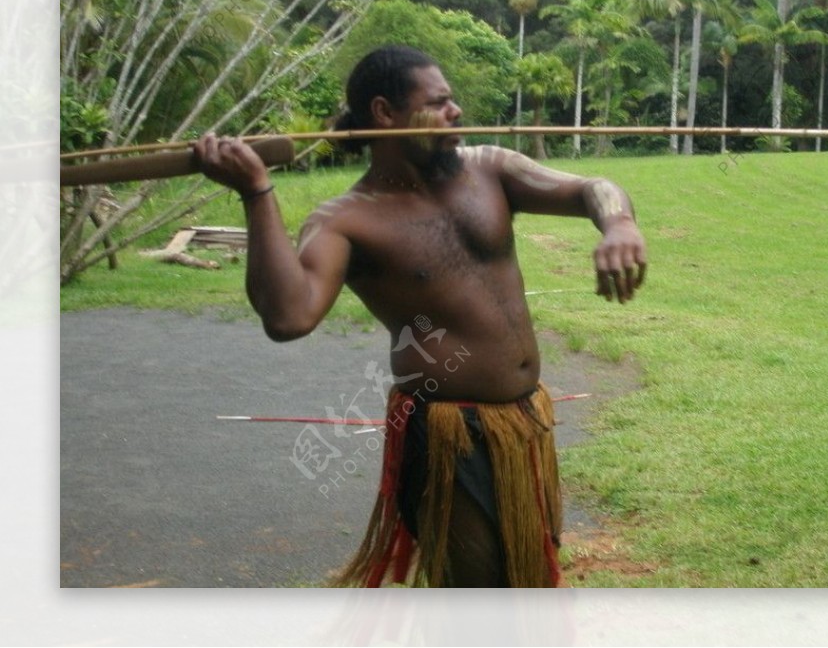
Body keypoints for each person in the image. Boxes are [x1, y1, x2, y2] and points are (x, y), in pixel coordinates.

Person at [193, 44, 648, 588]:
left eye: (453, 99)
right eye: (440, 101)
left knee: (528, 572)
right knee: (479, 590)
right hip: (447, 434)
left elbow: (591, 188)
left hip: (523, 422)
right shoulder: (346, 220)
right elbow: (289, 316)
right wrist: (257, 191)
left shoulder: (490, 170)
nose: (456, 111)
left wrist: (618, 223)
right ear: (385, 113)